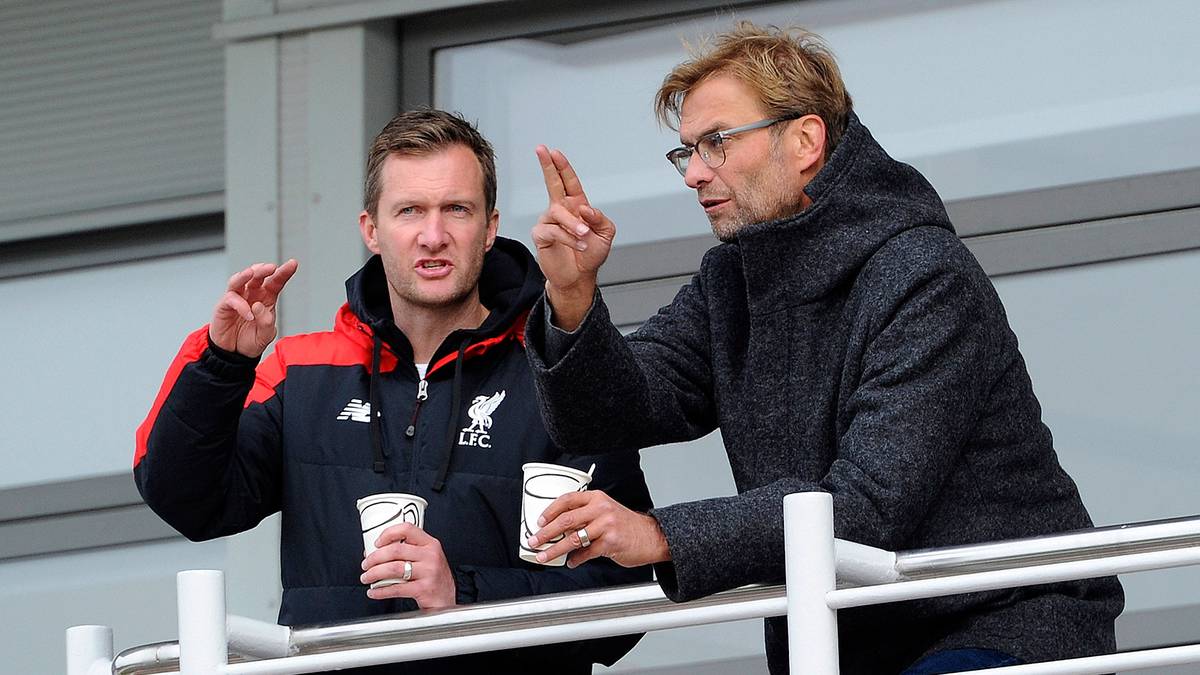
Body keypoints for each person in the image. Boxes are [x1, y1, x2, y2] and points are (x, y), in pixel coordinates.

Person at [522, 22, 1123, 674]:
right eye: (686, 151)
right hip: (849, 643)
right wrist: (572, 295)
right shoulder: (732, 280)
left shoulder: (925, 273)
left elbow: (868, 506)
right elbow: (608, 414)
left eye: (716, 142)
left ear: (805, 140)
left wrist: (660, 533)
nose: (694, 173)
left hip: (1003, 624)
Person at [134, 109, 652, 674]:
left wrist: (465, 598)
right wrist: (222, 363)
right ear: (372, 230)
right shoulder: (300, 369)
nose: (434, 236)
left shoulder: (556, 374)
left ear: (490, 226)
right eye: (409, 211)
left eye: (457, 209)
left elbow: (619, 597)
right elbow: (189, 502)